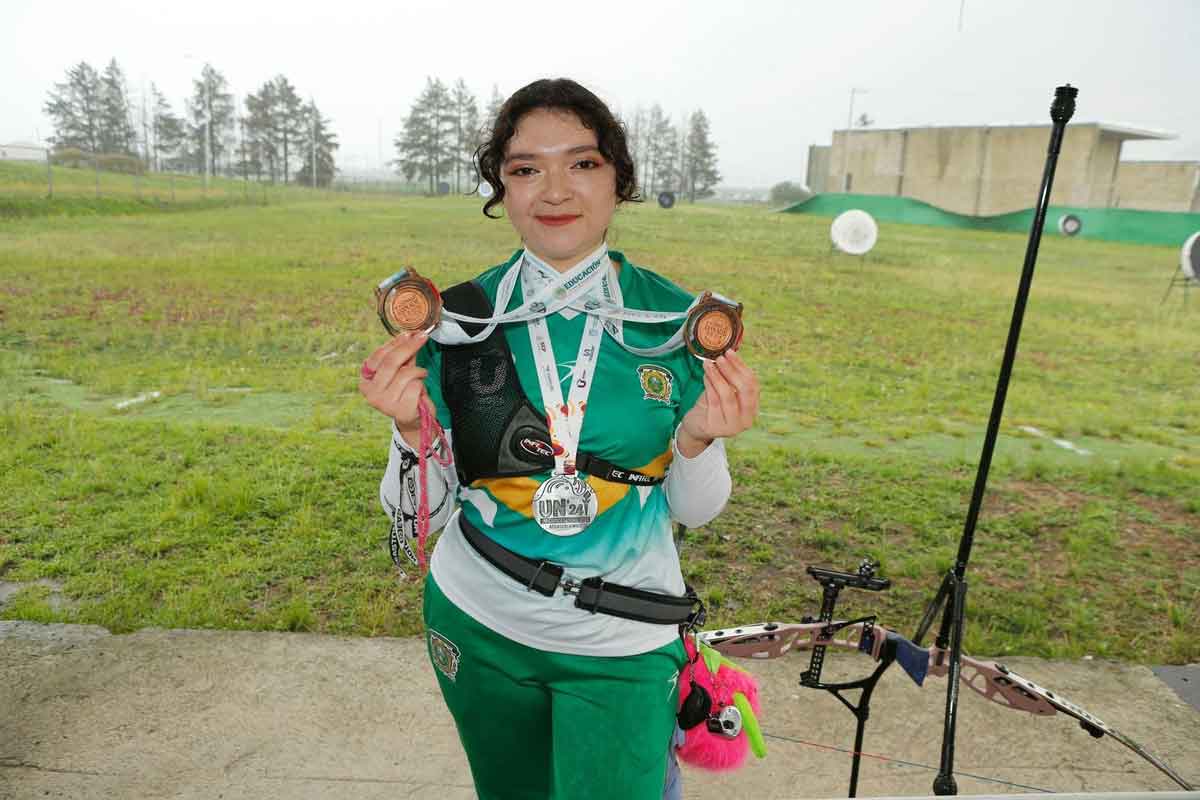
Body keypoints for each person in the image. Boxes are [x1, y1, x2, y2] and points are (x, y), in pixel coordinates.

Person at [359, 78, 760, 800]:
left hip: (622, 642)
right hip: (478, 623)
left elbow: (695, 512)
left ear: (618, 181)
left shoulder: (672, 322)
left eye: (581, 163)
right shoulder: (460, 322)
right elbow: (419, 514)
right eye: (524, 169)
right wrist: (409, 429)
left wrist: (697, 438)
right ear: (501, 190)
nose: (553, 190)